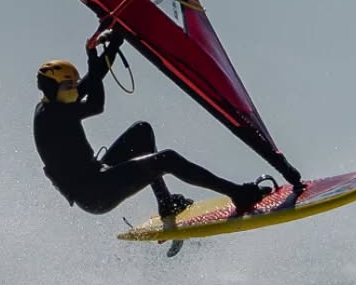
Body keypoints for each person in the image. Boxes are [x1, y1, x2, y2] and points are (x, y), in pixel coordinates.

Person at [33, 28, 270, 219]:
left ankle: (166, 203)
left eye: (74, 84)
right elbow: (96, 103)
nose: (75, 89)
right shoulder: (50, 118)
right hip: (94, 194)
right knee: (166, 159)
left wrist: (114, 45)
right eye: (68, 86)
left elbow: (92, 80)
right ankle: (238, 194)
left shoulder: (57, 103)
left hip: (98, 175)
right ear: (52, 90)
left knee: (141, 132)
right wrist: (92, 58)